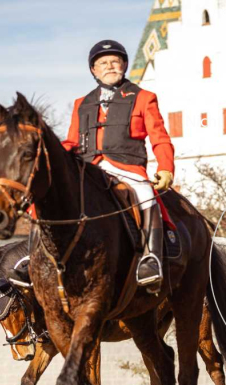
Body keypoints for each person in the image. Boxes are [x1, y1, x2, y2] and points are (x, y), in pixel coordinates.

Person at [62, 39, 176, 293]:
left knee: (147, 197)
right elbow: (71, 141)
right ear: (94, 70)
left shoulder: (144, 98)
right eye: (102, 63)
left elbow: (159, 138)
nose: (109, 66)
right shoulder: (81, 103)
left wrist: (166, 168)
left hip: (127, 167)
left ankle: (150, 259)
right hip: (89, 171)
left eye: (115, 61)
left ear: (124, 65)